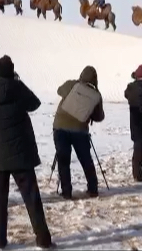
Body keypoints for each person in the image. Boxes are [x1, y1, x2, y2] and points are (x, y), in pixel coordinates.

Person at [0, 55, 54, 250]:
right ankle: (43, 239)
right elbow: (35, 103)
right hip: (21, 154)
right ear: (12, 74)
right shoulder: (19, 90)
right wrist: (18, 83)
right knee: (32, 198)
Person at [53, 65, 105, 199]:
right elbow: (99, 117)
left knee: (63, 160)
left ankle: (66, 192)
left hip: (60, 126)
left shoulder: (72, 84)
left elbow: (59, 90)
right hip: (80, 130)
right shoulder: (96, 95)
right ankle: (93, 189)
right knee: (86, 160)